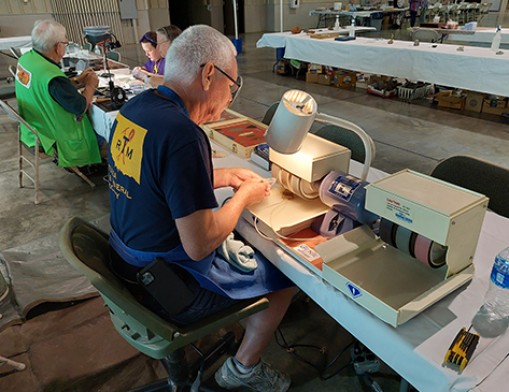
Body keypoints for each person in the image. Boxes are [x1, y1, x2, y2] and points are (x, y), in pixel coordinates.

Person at [107, 25, 295, 392]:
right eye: (232, 87)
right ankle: (244, 368)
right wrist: (245, 197)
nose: (229, 100)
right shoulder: (182, 134)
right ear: (210, 74)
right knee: (285, 277)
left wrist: (222, 177)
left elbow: (153, 180)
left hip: (126, 266)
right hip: (167, 287)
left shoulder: (137, 109)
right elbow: (200, 244)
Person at [15, 19, 104, 168]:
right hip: (52, 136)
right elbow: (80, 107)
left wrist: (75, 81)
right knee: (108, 136)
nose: (65, 46)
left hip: (31, 129)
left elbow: (45, 89)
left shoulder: (27, 59)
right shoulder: (53, 77)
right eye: (65, 43)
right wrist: (90, 85)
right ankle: (96, 167)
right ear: (58, 47)